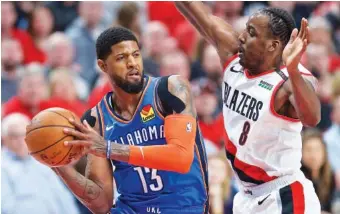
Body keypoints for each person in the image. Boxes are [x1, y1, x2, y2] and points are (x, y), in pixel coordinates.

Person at [175, 2, 321, 213]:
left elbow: (312, 118)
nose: (242, 36)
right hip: (245, 197)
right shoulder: (232, 56)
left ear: (272, 45)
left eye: (251, 33)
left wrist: (293, 70)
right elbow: (198, 13)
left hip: (284, 194)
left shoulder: (288, 82)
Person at [50, 27, 209, 214]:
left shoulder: (170, 89)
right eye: (121, 58)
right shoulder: (96, 120)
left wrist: (110, 148)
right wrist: (59, 165)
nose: (132, 63)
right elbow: (101, 204)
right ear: (103, 66)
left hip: (183, 207)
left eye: (136, 54)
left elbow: (181, 158)